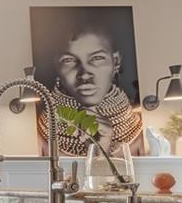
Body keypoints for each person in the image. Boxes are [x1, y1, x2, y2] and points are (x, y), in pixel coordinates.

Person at [35, 14, 144, 157]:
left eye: (97, 58)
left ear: (116, 61)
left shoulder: (142, 138)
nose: (84, 74)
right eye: (69, 60)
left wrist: (102, 148)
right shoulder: (39, 139)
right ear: (57, 66)